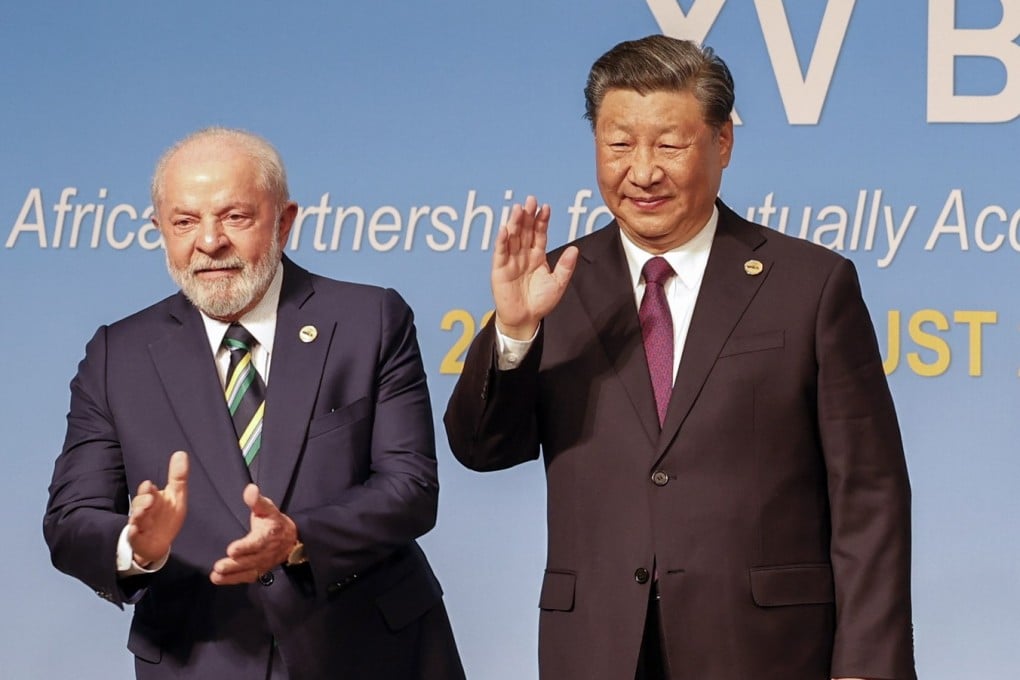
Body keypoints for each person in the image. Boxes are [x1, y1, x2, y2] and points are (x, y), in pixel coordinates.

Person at [444, 35, 915, 680]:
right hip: (598, 650)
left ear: (722, 144)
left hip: (767, 651)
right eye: (618, 144)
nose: (642, 171)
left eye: (669, 145)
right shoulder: (557, 285)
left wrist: (869, 667)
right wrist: (515, 332)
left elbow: (869, 498)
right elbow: (481, 449)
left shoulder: (810, 285)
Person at [44, 127, 465, 679]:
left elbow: (410, 488)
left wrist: (301, 537)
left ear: (284, 221)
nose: (209, 241)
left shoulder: (370, 321)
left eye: (235, 217)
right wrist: (135, 546)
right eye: (185, 222)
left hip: (369, 652)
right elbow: (71, 519)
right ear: (159, 231)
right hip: (201, 657)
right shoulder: (115, 356)